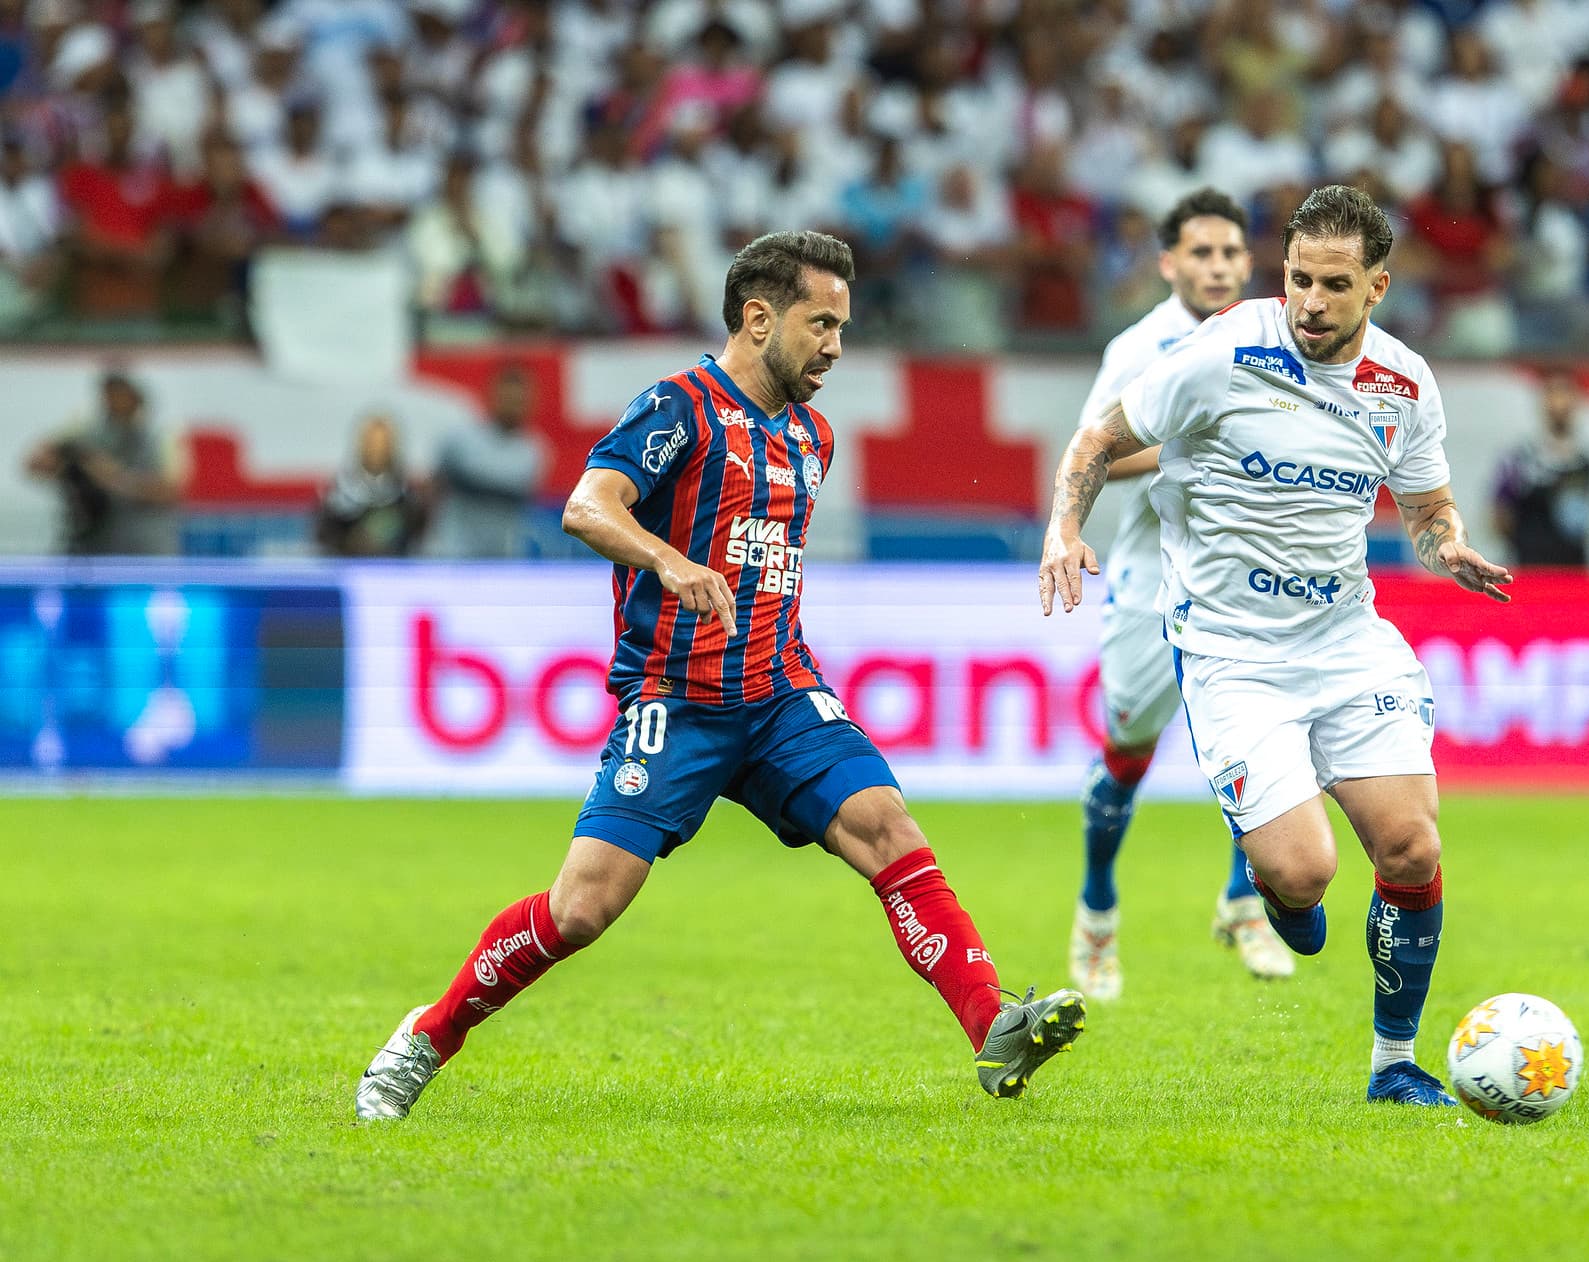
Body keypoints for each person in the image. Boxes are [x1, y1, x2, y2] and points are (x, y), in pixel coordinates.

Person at [357, 231, 1084, 1121]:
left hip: (781, 693)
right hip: (677, 700)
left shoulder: (812, 436)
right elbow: (587, 505)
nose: (835, 347)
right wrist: (668, 560)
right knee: (583, 908)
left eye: (843, 328)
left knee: (888, 828)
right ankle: (425, 1038)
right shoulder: (679, 407)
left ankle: (994, 1026)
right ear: (758, 318)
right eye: (821, 324)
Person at [1038, 185, 1514, 1106]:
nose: (1310, 302)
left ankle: (1394, 1065)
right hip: (1232, 652)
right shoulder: (1224, 351)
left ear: (1377, 286)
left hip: (1345, 639)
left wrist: (1446, 544)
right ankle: (1280, 894)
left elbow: (1426, 508)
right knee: (1303, 872)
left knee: (1412, 848)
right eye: (1298, 279)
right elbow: (1097, 440)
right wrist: (1065, 530)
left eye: (1334, 285)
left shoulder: (1404, 383)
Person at [1065, 187, 1291, 1003]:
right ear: (1168, 263)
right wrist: (1186, 446)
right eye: (1202, 252)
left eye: (1231, 252)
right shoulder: (1141, 347)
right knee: (1127, 752)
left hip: (1241, 577)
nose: (1219, 266)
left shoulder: (1273, 339)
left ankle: (1244, 901)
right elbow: (1092, 449)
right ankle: (1096, 910)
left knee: (1258, 739)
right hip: (1151, 579)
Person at [24, 368, 184, 555]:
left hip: (145, 549)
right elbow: (36, 462)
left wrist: (115, 478)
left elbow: (171, 493)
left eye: (119, 396)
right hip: (94, 545)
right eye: (108, 395)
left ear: (136, 398)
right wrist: (69, 464)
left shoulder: (161, 438)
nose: (113, 402)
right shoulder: (85, 432)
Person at [428, 365, 546, 559]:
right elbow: (432, 487)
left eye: (518, 400)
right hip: (453, 551)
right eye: (507, 398)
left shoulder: (533, 450)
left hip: (503, 556)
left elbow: (513, 487)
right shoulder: (460, 439)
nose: (512, 406)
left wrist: (461, 479)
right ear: (493, 396)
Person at [1490, 368, 1589, 567]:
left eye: (1566, 392)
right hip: (1531, 569)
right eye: (1552, 392)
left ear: (1577, 400)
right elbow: (1500, 516)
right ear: (1542, 400)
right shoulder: (1519, 459)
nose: (1559, 402)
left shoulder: (1587, 462)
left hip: (1575, 570)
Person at [313, 413, 430, 557]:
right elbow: (325, 536)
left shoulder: (405, 497)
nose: (377, 449)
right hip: (348, 564)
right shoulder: (339, 494)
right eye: (372, 442)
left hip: (392, 565)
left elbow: (414, 535)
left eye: (383, 443)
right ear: (362, 444)